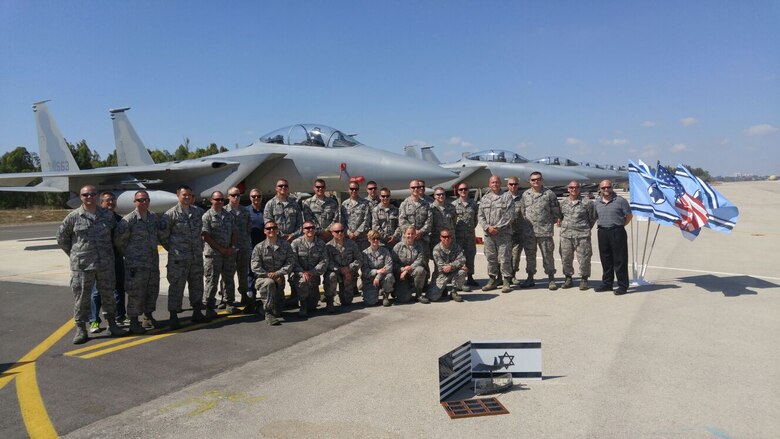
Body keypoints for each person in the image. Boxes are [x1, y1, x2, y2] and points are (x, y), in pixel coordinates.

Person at [57, 185, 125, 344]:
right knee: (82, 298)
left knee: (108, 295)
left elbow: (117, 237)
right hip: (82, 266)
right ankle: (81, 329)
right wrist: (75, 255)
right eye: (85, 194)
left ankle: (112, 324)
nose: (89, 197)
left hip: (105, 264)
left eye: (92, 194)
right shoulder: (73, 217)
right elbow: (62, 238)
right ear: (81, 197)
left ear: (97, 196)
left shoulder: (107, 216)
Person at [115, 190, 165, 334]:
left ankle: (148, 317)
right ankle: (134, 322)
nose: (143, 202)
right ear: (134, 202)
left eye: (145, 200)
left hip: (152, 263)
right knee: (136, 294)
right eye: (140, 200)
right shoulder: (128, 220)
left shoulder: (153, 217)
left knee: (152, 291)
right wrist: (132, 256)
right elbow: (119, 243)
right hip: (135, 266)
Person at [161, 185, 208, 329]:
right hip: (178, 259)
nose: (186, 197)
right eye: (184, 195)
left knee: (197, 284)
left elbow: (203, 231)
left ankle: (197, 312)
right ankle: (173, 315)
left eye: (189, 195)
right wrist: (175, 249)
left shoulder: (198, 212)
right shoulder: (170, 215)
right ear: (178, 195)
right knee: (176, 286)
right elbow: (163, 237)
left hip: (195, 257)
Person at [88, 191, 127, 333]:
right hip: (100, 261)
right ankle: (94, 320)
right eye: (107, 200)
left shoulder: (118, 219)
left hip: (116, 258)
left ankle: (120, 316)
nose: (110, 203)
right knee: (97, 292)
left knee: (119, 288)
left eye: (112, 200)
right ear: (101, 202)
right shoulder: (95, 218)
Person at [519, 171, 561, 290]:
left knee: (548, 255)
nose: (535, 182)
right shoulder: (525, 194)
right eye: (533, 180)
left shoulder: (549, 194)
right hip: (529, 232)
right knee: (530, 256)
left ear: (542, 180)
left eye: (538, 179)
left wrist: (547, 223)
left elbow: (556, 212)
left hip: (545, 231)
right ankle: (530, 277)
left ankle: (551, 279)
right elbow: (523, 212)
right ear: (530, 181)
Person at [251, 221, 296, 325]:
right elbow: (255, 267)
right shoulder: (259, 247)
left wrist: (278, 273)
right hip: (262, 279)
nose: (271, 230)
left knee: (278, 312)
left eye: (274, 228)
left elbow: (290, 262)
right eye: (268, 229)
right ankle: (268, 314)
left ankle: (260, 307)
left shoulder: (285, 245)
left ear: (277, 230)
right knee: (269, 283)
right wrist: (270, 275)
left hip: (279, 279)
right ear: (264, 231)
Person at [202, 191, 237, 318]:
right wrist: (221, 249)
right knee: (212, 280)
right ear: (211, 200)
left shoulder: (228, 215)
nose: (220, 202)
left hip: (228, 253)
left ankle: (229, 303)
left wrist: (231, 247)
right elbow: (206, 236)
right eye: (217, 199)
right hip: (213, 255)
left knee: (229, 278)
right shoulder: (207, 216)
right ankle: (209, 307)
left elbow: (234, 232)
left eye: (222, 200)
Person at [594, 179, 632, 295]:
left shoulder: (621, 201)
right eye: (603, 188)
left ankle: (622, 285)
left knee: (620, 260)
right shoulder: (597, 203)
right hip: (602, 232)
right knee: (605, 259)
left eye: (608, 187)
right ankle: (607, 284)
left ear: (612, 187)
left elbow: (629, 216)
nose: (606, 189)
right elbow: (595, 217)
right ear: (600, 189)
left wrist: (619, 225)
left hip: (617, 231)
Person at [478, 175, 515, 293]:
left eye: (497, 182)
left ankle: (506, 281)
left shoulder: (507, 197)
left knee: (504, 258)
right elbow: (480, 216)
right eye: (493, 182)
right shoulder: (485, 198)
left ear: (500, 184)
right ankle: (493, 280)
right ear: (489, 184)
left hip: (503, 234)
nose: (495, 184)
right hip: (489, 235)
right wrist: (487, 228)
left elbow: (509, 216)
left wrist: (497, 228)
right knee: (491, 258)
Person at [558, 181, 597, 290]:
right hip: (566, 236)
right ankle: (568, 278)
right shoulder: (563, 203)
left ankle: (584, 279)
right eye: (571, 187)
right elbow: (560, 217)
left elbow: (593, 217)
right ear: (568, 189)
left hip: (582, 236)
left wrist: (584, 228)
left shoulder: (587, 203)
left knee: (584, 258)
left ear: (580, 189)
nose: (573, 189)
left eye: (576, 187)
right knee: (565, 258)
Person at [290, 220, 329, 316]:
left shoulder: (320, 243)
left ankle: (310, 301)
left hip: (313, 276)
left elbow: (324, 261)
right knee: (303, 280)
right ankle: (302, 304)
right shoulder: (296, 243)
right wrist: (302, 273)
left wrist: (312, 272)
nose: (310, 230)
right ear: (303, 230)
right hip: (299, 276)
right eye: (307, 228)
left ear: (315, 230)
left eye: (312, 228)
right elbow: (292, 261)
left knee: (312, 307)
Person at [226, 187, 253, 312]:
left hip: (243, 247)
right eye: (233, 195)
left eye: (237, 195)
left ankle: (244, 295)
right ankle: (228, 300)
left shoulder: (245, 211)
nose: (235, 197)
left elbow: (248, 228)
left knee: (243, 273)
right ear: (228, 196)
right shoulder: (224, 211)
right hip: (230, 248)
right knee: (228, 274)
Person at [324, 223, 362, 310]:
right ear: (332, 233)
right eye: (337, 232)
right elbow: (327, 262)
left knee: (347, 302)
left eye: (342, 231)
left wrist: (349, 269)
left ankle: (342, 295)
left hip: (348, 273)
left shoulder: (352, 244)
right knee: (331, 276)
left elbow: (359, 259)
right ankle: (330, 301)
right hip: (335, 272)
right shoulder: (328, 246)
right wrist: (340, 269)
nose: (340, 233)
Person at [429, 227, 469, 303]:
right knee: (433, 297)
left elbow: (462, 258)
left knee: (462, 272)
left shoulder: (456, 246)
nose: (446, 239)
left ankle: (454, 292)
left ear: (451, 237)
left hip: (454, 271)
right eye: (444, 237)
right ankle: (443, 289)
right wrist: (458, 265)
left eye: (448, 237)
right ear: (440, 237)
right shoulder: (436, 249)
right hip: (442, 274)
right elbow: (442, 267)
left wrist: (452, 266)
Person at [392, 226, 427, 303]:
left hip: (412, 272)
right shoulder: (398, 247)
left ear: (415, 235)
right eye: (408, 234)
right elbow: (393, 263)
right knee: (405, 299)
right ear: (404, 234)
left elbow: (420, 260)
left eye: (412, 234)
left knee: (421, 270)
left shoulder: (419, 246)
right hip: (401, 275)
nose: (410, 236)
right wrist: (402, 269)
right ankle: (398, 290)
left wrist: (407, 270)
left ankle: (418, 294)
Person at [453, 183, 479, 287]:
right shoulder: (454, 205)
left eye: (465, 189)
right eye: (461, 189)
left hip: (470, 236)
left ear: (468, 190)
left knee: (470, 256)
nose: (463, 191)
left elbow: (476, 219)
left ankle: (470, 277)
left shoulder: (473, 204)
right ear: (458, 191)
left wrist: (470, 229)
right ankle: (460, 279)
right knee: (459, 257)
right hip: (458, 237)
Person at [361, 230, 394, 306]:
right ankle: (366, 289)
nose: (376, 240)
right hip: (370, 279)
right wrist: (376, 271)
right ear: (369, 240)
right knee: (370, 302)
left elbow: (389, 267)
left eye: (377, 238)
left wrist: (378, 276)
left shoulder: (385, 251)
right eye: (373, 238)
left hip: (382, 277)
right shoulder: (364, 253)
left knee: (389, 276)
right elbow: (365, 271)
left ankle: (385, 296)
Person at [506, 176, 526, 284]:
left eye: (515, 184)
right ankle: (503, 277)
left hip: (518, 233)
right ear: (507, 185)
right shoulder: (503, 198)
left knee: (516, 256)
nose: (513, 186)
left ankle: (512, 275)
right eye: (511, 184)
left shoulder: (523, 199)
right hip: (505, 234)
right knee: (504, 257)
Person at [342, 182, 371, 250]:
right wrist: (349, 233)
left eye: (356, 189)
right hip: (348, 238)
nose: (354, 191)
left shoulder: (365, 203)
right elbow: (342, 221)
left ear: (358, 190)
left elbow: (366, 220)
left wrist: (356, 233)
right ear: (348, 190)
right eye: (352, 189)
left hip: (362, 239)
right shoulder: (344, 204)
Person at [247, 188, 264, 299]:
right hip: (250, 246)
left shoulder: (266, 211)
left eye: (258, 196)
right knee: (250, 271)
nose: (256, 198)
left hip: (264, 247)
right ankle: (250, 295)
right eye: (253, 196)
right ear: (250, 198)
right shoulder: (246, 211)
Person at [430, 186, 456, 256]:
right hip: (436, 239)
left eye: (443, 194)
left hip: (449, 239)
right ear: (434, 196)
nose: (441, 196)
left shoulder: (451, 207)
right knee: (438, 263)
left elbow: (454, 222)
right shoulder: (430, 208)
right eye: (438, 194)